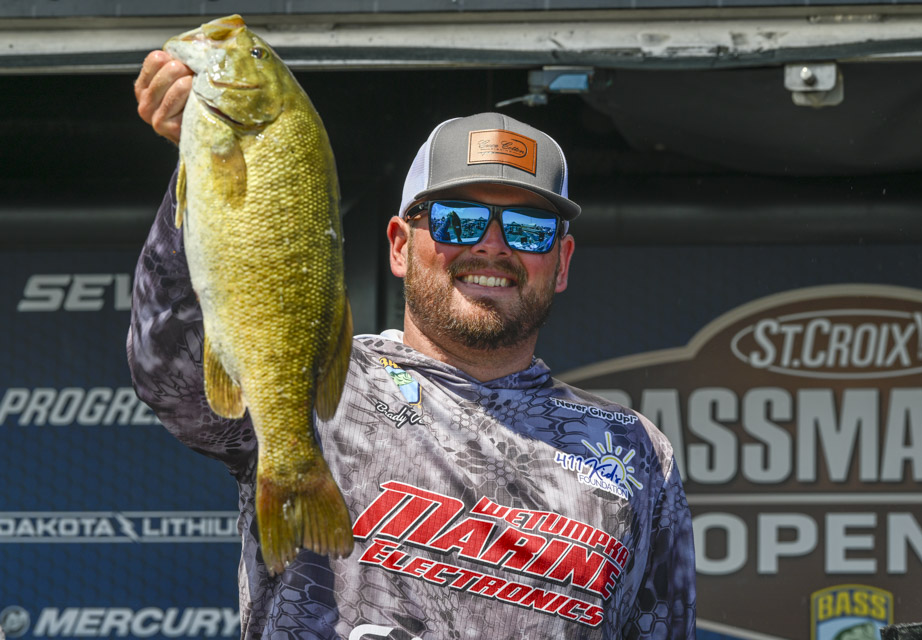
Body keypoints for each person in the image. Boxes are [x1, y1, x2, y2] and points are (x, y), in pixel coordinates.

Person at [129, 52, 697, 640]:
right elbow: (166, 370)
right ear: (400, 245)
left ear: (562, 262)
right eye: (458, 219)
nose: (492, 245)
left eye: (529, 229)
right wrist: (206, 156)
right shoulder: (320, 380)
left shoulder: (636, 452)